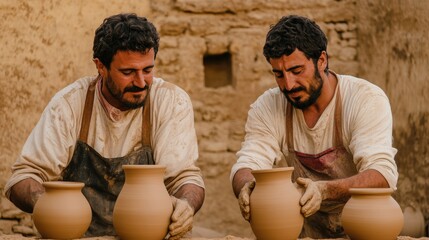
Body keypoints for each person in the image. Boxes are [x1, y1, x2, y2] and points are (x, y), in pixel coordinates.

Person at [4, 13, 205, 239]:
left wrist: (186, 204)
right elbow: (22, 178)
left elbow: (185, 178)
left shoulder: (170, 101)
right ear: (101, 67)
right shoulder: (70, 104)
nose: (140, 83)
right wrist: (49, 203)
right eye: (128, 72)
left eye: (147, 70)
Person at [230, 15, 398, 238]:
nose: (288, 85)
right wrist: (247, 186)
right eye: (279, 74)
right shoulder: (268, 106)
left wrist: (325, 190)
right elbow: (248, 162)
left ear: (322, 60)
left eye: (297, 71)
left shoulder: (365, 99)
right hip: (306, 231)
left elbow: (382, 173)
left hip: (363, 227)